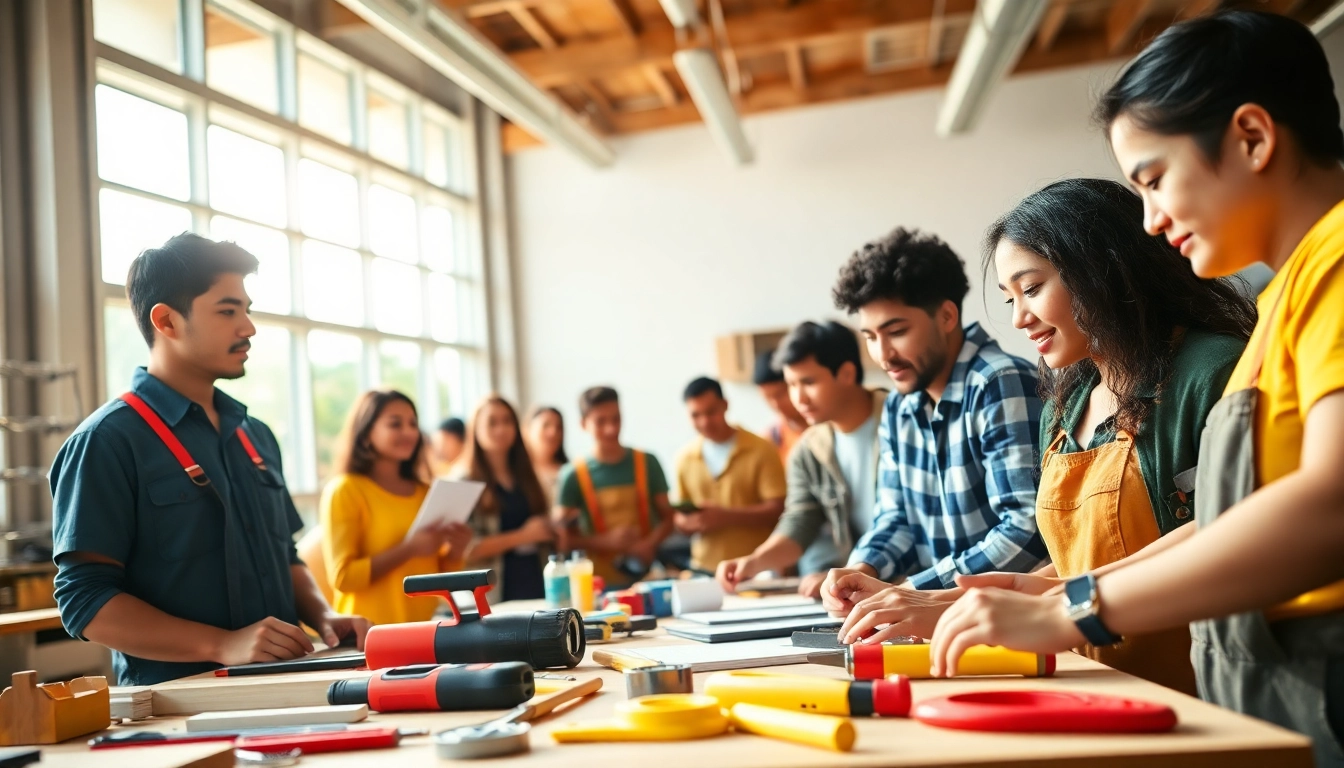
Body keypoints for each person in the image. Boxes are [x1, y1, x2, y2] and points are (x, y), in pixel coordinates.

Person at [927, 13, 1344, 766]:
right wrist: (1060, 593)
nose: (1150, 220)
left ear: (1253, 138)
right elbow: (1225, 520)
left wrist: (1079, 607)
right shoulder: (1289, 297)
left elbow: (1330, 504)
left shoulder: (1335, 265)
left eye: (1153, 180)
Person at [834, 179, 1255, 695]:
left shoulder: (1211, 371)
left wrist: (1031, 598)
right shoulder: (1065, 403)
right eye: (1010, 298)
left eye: (1031, 289)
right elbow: (1089, 561)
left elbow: (1227, 532)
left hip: (1194, 691)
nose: (1018, 319)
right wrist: (972, 598)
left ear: (1101, 268)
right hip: (1097, 683)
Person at [50, 233, 369, 685]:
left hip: (285, 684)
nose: (248, 328)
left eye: (247, 310)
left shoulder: (255, 436)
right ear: (166, 321)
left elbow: (284, 555)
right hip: (176, 703)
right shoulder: (107, 441)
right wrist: (222, 644)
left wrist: (324, 616)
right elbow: (85, 600)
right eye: (227, 311)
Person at [821, 227, 1045, 607]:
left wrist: (911, 592)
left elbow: (1028, 531)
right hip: (938, 617)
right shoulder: (898, 407)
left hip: (1016, 618)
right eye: (870, 337)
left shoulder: (1000, 383)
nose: (883, 355)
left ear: (946, 316)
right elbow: (896, 519)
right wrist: (860, 570)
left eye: (896, 331)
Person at [716, 322, 888, 598]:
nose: (798, 398)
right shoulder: (808, 450)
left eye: (809, 382)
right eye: (791, 385)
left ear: (847, 373)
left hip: (920, 583)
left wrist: (851, 572)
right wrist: (754, 562)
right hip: (868, 588)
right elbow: (800, 521)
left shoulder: (903, 420)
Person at [320, 390, 472, 626]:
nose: (409, 432)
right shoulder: (345, 490)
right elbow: (343, 578)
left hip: (426, 629)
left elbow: (438, 575)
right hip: (370, 634)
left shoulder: (425, 491)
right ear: (365, 433)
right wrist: (409, 549)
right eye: (395, 424)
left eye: (413, 424)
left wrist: (456, 551)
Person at [553, 387, 675, 588]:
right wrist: (605, 541)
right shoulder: (573, 475)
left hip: (648, 579)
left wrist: (649, 544)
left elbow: (669, 518)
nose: (611, 429)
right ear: (583, 424)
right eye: (600, 422)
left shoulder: (648, 463)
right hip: (596, 584)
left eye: (616, 419)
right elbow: (564, 540)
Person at [673, 377, 787, 572]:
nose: (705, 422)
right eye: (695, 415)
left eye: (711, 412)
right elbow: (679, 515)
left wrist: (724, 517)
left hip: (756, 567)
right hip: (703, 567)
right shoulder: (684, 458)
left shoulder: (761, 450)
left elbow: (778, 511)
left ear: (725, 405)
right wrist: (685, 523)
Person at [454, 396, 555, 601]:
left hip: (537, 584)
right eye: (492, 422)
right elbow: (466, 549)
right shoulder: (464, 483)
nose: (501, 429)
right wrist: (523, 536)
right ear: (476, 429)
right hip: (494, 595)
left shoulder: (529, 476)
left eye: (507, 421)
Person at [753, 351, 808, 464]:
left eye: (780, 395)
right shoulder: (772, 440)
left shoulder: (829, 427)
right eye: (768, 398)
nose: (776, 404)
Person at [526, 406, 569, 507]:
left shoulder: (570, 471)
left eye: (558, 427)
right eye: (546, 425)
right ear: (528, 429)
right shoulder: (517, 473)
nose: (553, 433)